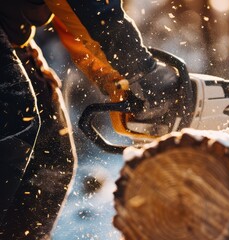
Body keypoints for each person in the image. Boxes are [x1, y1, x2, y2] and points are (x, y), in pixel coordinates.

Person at [0, 0, 179, 238]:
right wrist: (139, 67)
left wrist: (121, 81)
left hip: (11, 32)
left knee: (51, 156)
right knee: (15, 115)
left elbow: (73, 16)